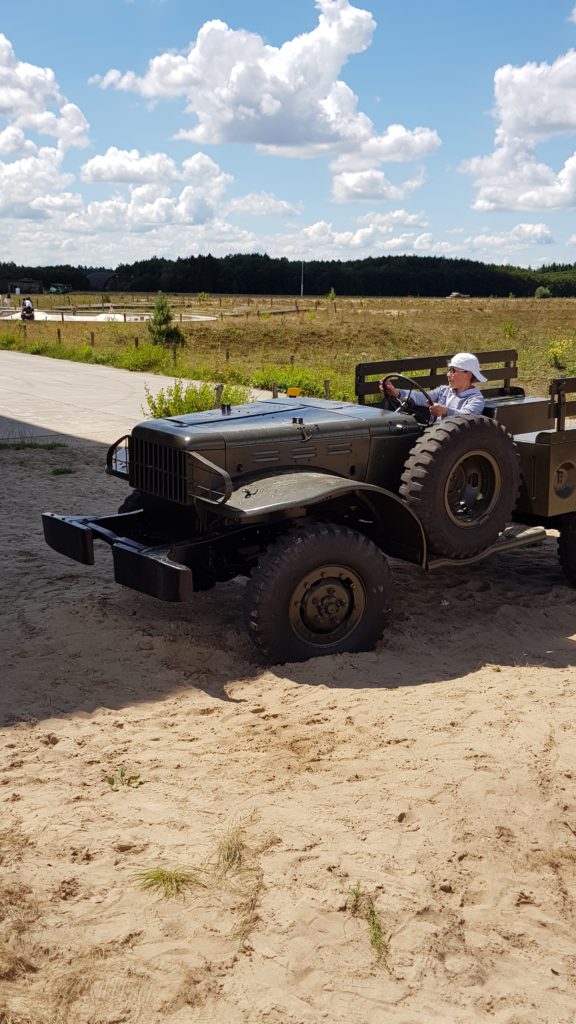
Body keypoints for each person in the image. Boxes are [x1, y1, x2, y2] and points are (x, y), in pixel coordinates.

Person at [379, 351, 486, 419]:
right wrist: (397, 393)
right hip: (434, 435)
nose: (448, 374)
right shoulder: (444, 390)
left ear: (468, 374)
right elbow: (421, 397)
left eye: (453, 370)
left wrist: (445, 411)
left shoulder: (475, 399)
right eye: (448, 370)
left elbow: (467, 418)